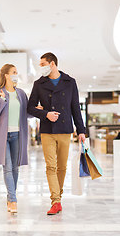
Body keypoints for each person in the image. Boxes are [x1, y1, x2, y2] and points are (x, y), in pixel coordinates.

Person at [27, 52, 86, 215]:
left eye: (42, 64)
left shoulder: (70, 82)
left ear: (52, 64)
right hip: (47, 130)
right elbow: (30, 107)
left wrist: (81, 130)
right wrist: (46, 114)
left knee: (62, 167)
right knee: (50, 166)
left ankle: (57, 198)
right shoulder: (39, 84)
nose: (41, 68)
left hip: (65, 129)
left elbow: (75, 108)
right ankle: (55, 201)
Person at [0, 64, 31, 214]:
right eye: (14, 72)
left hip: (18, 135)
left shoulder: (21, 93)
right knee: (7, 168)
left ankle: (9, 197)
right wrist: (1, 99)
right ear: (6, 75)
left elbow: (26, 113)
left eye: (16, 72)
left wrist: (37, 111)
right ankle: (13, 201)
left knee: (15, 168)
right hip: (3, 137)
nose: (16, 74)